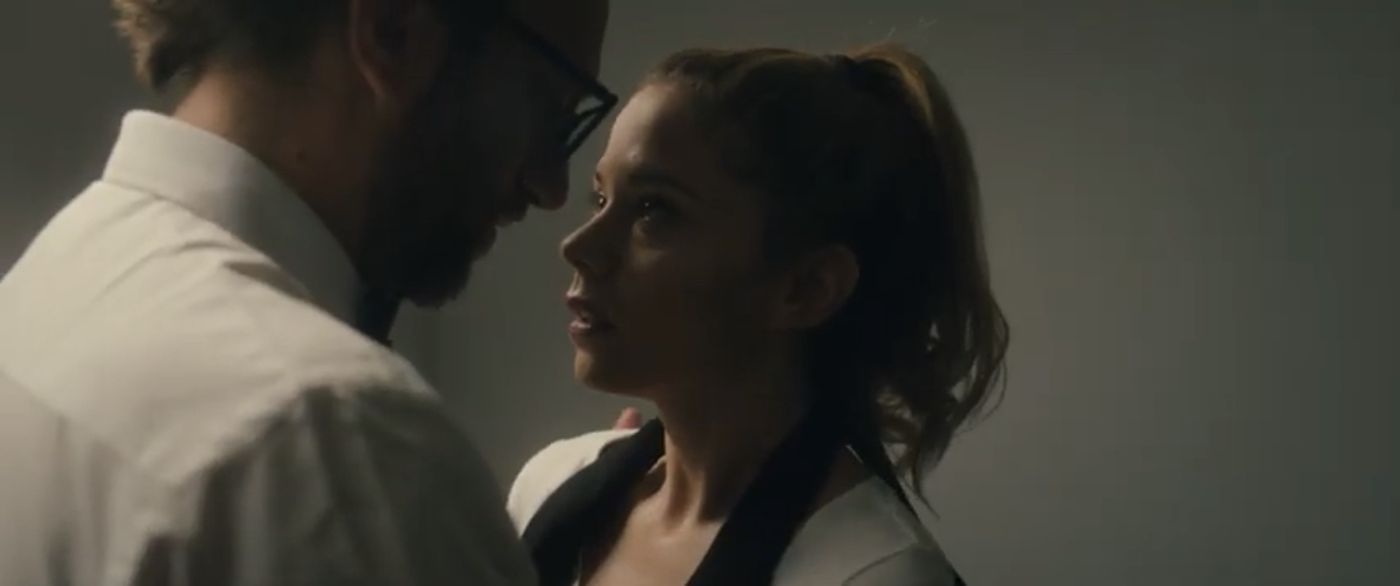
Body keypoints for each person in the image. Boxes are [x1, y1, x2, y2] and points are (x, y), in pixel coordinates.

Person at [0, 0, 612, 583]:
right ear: (392, 29)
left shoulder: (44, 287)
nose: (552, 186)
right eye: (547, 106)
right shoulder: (341, 446)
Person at [506, 44, 1009, 585]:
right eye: (602, 198)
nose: (579, 247)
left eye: (655, 209)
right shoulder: (551, 487)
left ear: (805, 289)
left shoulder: (872, 574)